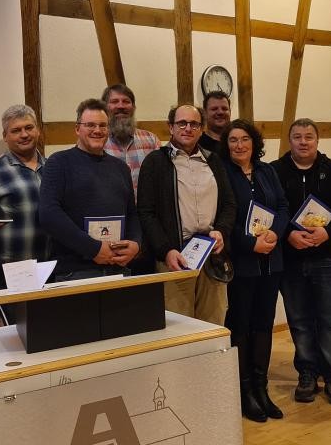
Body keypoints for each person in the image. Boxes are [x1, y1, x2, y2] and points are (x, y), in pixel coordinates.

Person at [272, 118, 331, 406]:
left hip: (328, 257)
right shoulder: (275, 171)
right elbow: (268, 210)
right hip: (292, 260)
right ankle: (307, 374)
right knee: (299, 321)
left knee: (330, 321)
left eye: (309, 136)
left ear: (317, 140)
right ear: (290, 140)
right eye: (297, 137)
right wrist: (287, 236)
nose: (303, 141)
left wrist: (329, 232)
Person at [136, 104, 235, 325]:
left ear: (201, 129)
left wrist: (222, 231)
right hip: (175, 259)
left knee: (213, 326)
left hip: (211, 257)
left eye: (194, 124)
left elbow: (229, 204)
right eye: (182, 123)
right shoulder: (155, 162)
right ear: (171, 127)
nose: (188, 128)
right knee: (179, 329)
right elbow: (146, 213)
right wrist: (165, 250)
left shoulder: (213, 161)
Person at [220, 119, 290, 422]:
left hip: (272, 261)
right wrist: (250, 244)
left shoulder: (267, 171)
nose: (239, 145)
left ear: (254, 142)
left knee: (264, 324)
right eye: (233, 140)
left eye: (244, 139)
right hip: (243, 262)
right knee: (242, 325)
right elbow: (222, 218)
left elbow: (283, 207)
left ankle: (262, 389)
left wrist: (275, 233)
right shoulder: (221, 173)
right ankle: (244, 391)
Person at [38, 98, 141, 281]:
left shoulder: (120, 168)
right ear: (77, 129)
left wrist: (135, 243)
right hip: (74, 272)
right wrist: (93, 249)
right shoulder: (59, 163)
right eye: (90, 125)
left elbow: (132, 213)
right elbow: (49, 215)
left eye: (103, 125)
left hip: (117, 268)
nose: (97, 130)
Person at [0, 105, 49, 293]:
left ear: (38, 130)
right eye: (16, 130)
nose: (24, 134)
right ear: (5, 136)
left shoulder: (52, 169)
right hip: (6, 275)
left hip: (46, 270)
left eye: (29, 128)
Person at [102, 83, 161, 191]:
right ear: (104, 107)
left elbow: (160, 180)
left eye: (126, 101)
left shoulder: (152, 141)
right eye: (114, 101)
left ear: (133, 107)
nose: (121, 106)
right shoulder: (97, 143)